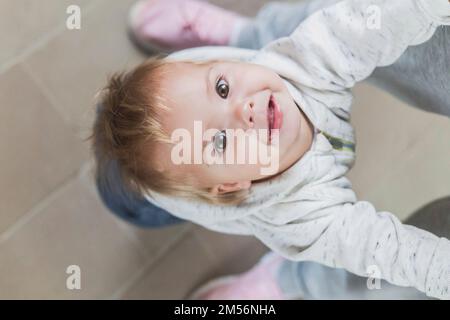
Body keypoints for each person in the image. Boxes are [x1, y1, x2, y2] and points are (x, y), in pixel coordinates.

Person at [92, 0, 450, 299]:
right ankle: (130, 187)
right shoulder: (298, 220)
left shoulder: (304, 59)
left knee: (154, 109)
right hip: (141, 191)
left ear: (231, 63)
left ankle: (240, 40)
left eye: (222, 88)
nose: (242, 110)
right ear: (231, 186)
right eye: (220, 141)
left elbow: (377, 24)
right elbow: (385, 250)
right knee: (127, 192)